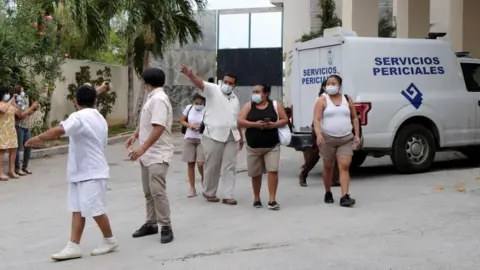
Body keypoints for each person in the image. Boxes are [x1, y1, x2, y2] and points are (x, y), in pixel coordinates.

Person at [25, 84, 118, 261]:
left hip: (91, 171)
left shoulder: (79, 117)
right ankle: (73, 245)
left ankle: (110, 240)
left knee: (95, 209)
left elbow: (61, 130)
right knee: (77, 209)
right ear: (95, 100)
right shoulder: (99, 117)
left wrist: (38, 138)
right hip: (83, 171)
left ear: (75, 101)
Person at [180, 64, 244, 205]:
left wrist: (241, 137)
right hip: (212, 134)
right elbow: (199, 82)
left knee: (230, 166)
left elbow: (235, 119)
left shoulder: (235, 99)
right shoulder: (213, 89)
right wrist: (190, 75)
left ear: (234, 85)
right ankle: (209, 192)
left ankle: (228, 195)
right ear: (222, 81)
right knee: (212, 165)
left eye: (230, 83)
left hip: (231, 135)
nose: (227, 85)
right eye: (225, 82)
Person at [125, 68, 174, 244]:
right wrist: (135, 135)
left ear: (147, 83)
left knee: (157, 192)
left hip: (158, 153)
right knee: (148, 192)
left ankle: (166, 226)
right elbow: (147, 122)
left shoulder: (159, 99)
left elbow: (159, 127)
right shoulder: (152, 98)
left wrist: (142, 149)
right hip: (149, 154)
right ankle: (151, 223)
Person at [238, 84, 288, 210]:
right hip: (253, 147)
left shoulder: (275, 105)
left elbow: (285, 119)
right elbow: (240, 121)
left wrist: (273, 125)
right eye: (253, 91)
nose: (254, 94)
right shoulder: (248, 106)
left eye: (257, 91)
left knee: (273, 171)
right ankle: (257, 198)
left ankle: (272, 199)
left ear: (266, 94)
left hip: (272, 146)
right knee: (256, 174)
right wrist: (254, 124)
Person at [313, 74, 360, 207]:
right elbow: (316, 119)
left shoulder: (347, 99)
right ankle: (328, 192)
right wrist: (318, 134)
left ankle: (345, 196)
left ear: (339, 85)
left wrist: (356, 135)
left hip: (345, 138)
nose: (330, 85)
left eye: (333, 83)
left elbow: (355, 118)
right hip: (328, 138)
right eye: (328, 83)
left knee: (344, 166)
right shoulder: (322, 100)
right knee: (328, 167)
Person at [0, 86, 38, 180]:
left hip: (11, 129)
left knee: (14, 150)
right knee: (2, 151)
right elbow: (3, 110)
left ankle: (11, 170)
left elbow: (21, 115)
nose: (8, 95)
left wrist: (32, 109)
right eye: (6, 93)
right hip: (2, 130)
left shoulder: (11, 104)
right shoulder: (1, 104)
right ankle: (0, 173)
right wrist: (11, 101)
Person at [179, 93, 206, 198]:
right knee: (190, 163)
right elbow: (182, 120)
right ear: (193, 102)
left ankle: (205, 179)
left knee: (200, 163)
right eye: (196, 103)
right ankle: (192, 187)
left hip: (202, 139)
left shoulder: (207, 109)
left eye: (200, 103)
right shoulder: (189, 108)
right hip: (189, 137)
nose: (198, 105)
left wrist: (201, 127)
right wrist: (190, 125)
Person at [14, 85, 38, 176]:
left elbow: (28, 113)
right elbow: (21, 115)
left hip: (26, 126)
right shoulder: (16, 102)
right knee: (18, 148)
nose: (23, 93)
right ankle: (17, 167)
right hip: (19, 126)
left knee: (28, 145)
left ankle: (25, 166)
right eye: (22, 91)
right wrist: (31, 107)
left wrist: (34, 109)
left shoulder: (24, 101)